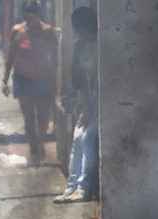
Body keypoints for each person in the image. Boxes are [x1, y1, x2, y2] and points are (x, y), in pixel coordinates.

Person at [2, 0, 57, 166]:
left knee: (43, 117)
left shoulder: (48, 32)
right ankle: (34, 147)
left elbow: (56, 58)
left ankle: (40, 141)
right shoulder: (17, 31)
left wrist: (56, 82)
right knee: (28, 117)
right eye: (27, 17)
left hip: (43, 79)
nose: (30, 20)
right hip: (22, 79)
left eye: (32, 17)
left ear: (38, 16)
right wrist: (5, 79)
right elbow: (11, 56)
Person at [56, 6, 98, 203]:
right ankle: (71, 187)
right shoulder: (80, 46)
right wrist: (84, 107)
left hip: (104, 101)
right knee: (78, 138)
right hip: (88, 101)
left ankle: (83, 188)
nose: (78, 32)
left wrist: (90, 108)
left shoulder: (101, 45)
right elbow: (79, 79)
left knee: (88, 139)